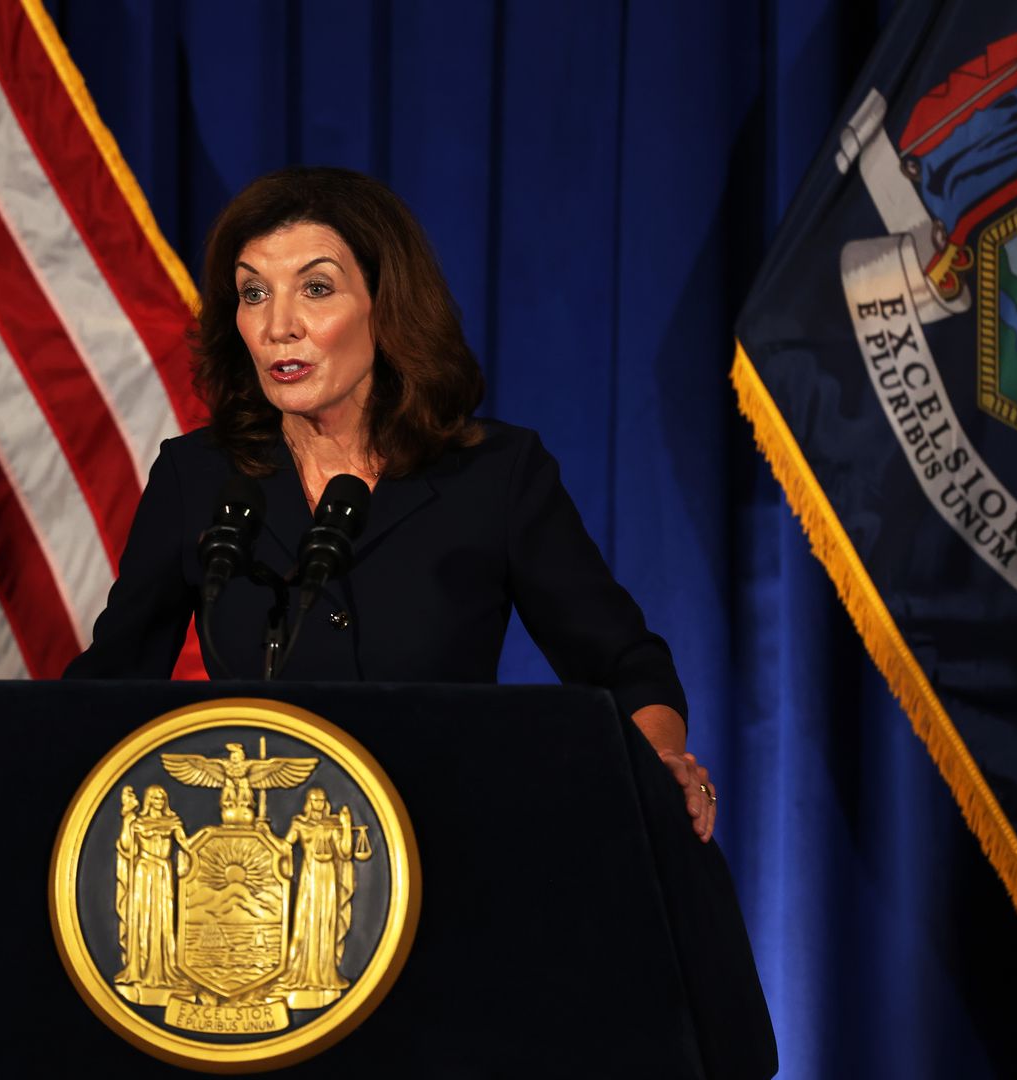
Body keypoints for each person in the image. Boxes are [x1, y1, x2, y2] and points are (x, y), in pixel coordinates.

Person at [66, 167, 718, 842]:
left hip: (449, 854)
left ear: (386, 302)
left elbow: (624, 667)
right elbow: (106, 687)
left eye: (315, 289)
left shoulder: (494, 475)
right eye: (252, 293)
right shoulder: (198, 478)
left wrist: (659, 762)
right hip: (263, 880)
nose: (277, 326)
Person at [278, 788, 360, 1007]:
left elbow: (345, 852)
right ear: (308, 802)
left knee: (326, 922)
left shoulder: (331, 825)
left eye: (322, 801)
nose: (318, 805)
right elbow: (284, 846)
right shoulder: (300, 824)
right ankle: (303, 970)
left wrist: (345, 825)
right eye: (315, 801)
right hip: (309, 876)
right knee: (306, 922)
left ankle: (324, 972)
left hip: (328, 878)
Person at [113, 785, 191, 1004]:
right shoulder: (138, 823)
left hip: (163, 872)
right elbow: (128, 848)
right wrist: (127, 818)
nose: (159, 799)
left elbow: (186, 844)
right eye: (155, 796)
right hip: (144, 871)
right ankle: (140, 967)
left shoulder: (173, 821)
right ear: (148, 799)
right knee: (143, 918)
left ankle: (162, 967)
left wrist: (207, 836)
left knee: (163, 920)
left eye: (162, 796)